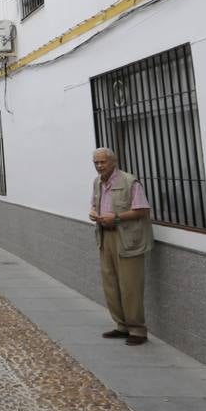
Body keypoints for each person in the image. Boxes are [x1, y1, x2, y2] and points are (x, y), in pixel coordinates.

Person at [88, 147, 154, 346]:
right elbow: (94, 203)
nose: (99, 166)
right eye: (96, 163)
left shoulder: (129, 181)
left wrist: (116, 217)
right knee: (110, 284)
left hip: (127, 239)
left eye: (103, 162)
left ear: (113, 162)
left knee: (130, 286)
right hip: (105, 237)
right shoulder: (97, 182)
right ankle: (122, 325)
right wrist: (93, 213)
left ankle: (138, 330)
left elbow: (142, 210)